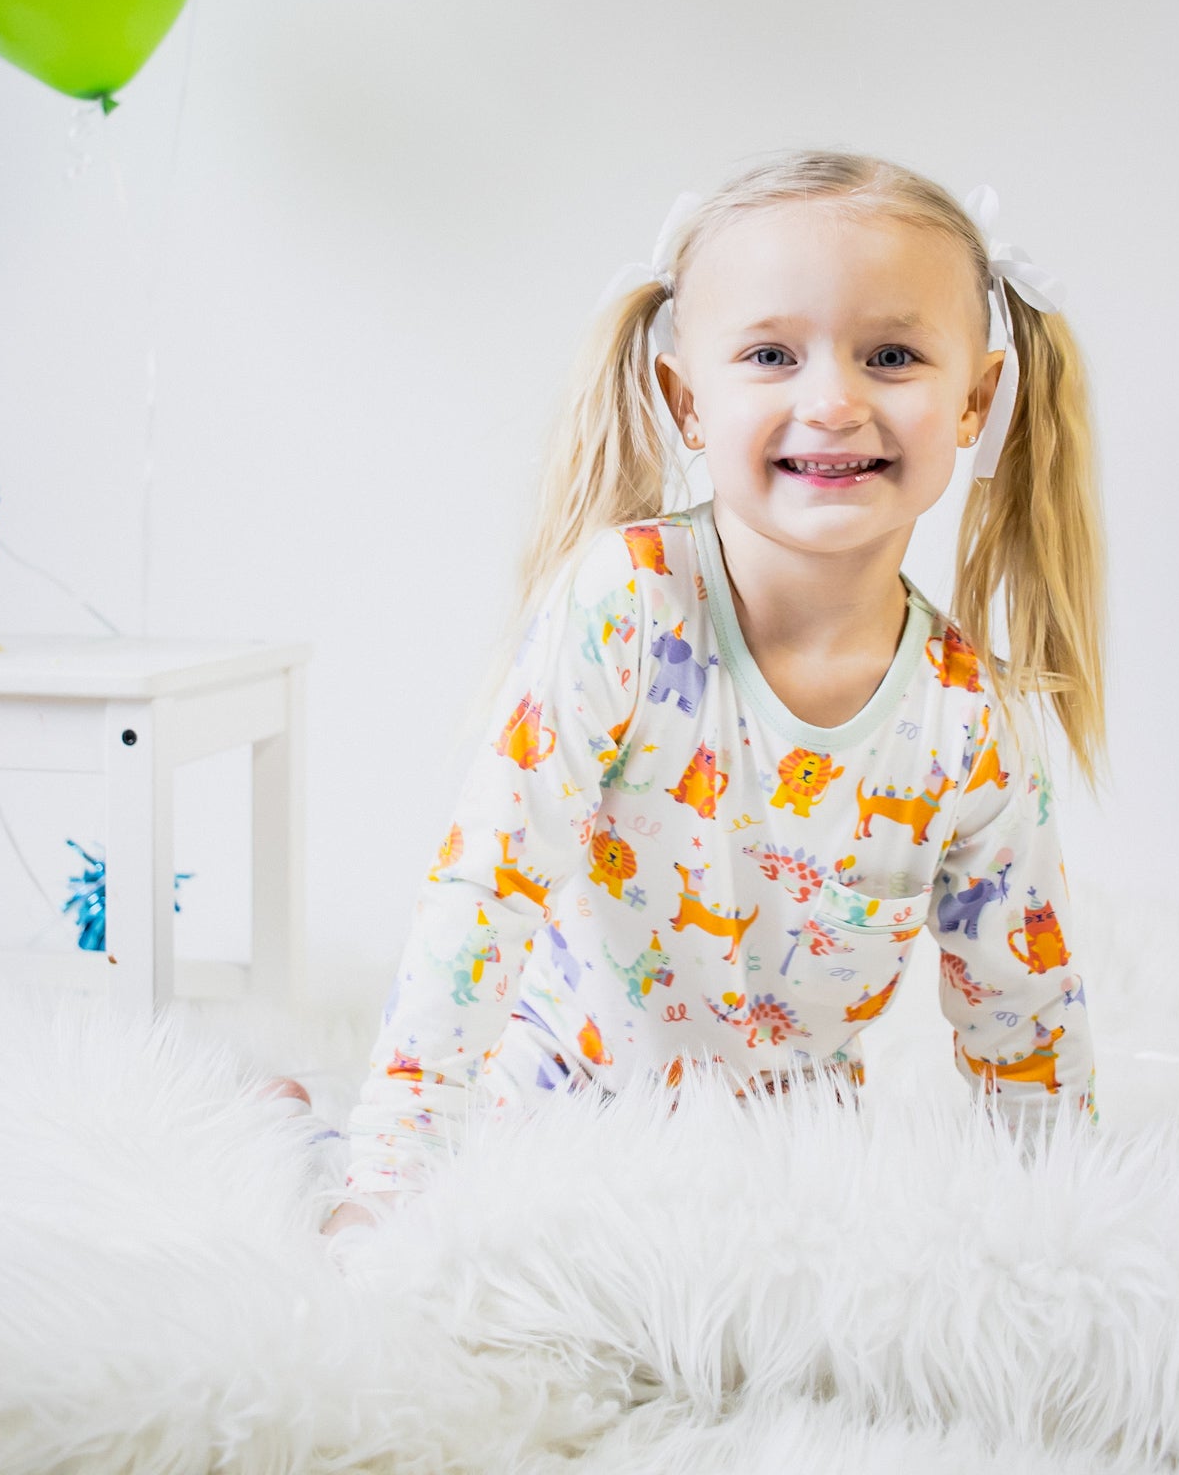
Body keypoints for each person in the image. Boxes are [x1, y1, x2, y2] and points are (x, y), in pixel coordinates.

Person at [318, 148, 1106, 1236]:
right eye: (771, 355)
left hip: (789, 1184)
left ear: (974, 401)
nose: (832, 401)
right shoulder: (629, 605)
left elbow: (1024, 1012)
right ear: (686, 402)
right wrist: (391, 1172)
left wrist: (1061, 1240)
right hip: (546, 1129)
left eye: (890, 355)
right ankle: (302, 1127)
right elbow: (483, 893)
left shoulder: (969, 718)